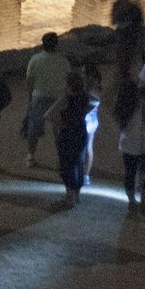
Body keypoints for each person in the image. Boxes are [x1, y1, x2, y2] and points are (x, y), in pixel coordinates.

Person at [22, 32, 71, 167]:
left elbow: (29, 80)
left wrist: (30, 97)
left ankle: (31, 157)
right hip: (58, 98)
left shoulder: (35, 59)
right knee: (58, 130)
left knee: (34, 128)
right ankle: (61, 159)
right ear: (56, 44)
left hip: (39, 96)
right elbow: (68, 79)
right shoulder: (63, 60)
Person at [47, 69, 92, 208]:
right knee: (79, 162)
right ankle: (77, 194)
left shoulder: (66, 99)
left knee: (67, 164)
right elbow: (95, 103)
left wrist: (62, 123)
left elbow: (48, 114)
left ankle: (69, 197)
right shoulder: (86, 97)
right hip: (81, 131)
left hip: (68, 133)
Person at [114, 77, 145, 212]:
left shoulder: (119, 107)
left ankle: (131, 202)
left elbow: (121, 127)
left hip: (127, 145)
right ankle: (144, 202)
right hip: (143, 145)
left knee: (129, 174)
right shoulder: (142, 106)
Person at [111, 0, 145, 75]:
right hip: (123, 39)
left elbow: (140, 22)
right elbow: (113, 21)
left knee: (128, 61)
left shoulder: (133, 8)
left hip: (130, 39)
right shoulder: (118, 5)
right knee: (123, 62)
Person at [82, 62, 103, 186]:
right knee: (89, 147)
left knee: (81, 147)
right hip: (93, 120)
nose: (82, 75)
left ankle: (83, 173)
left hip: (85, 119)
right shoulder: (98, 87)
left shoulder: (88, 88)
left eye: (84, 73)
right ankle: (86, 175)